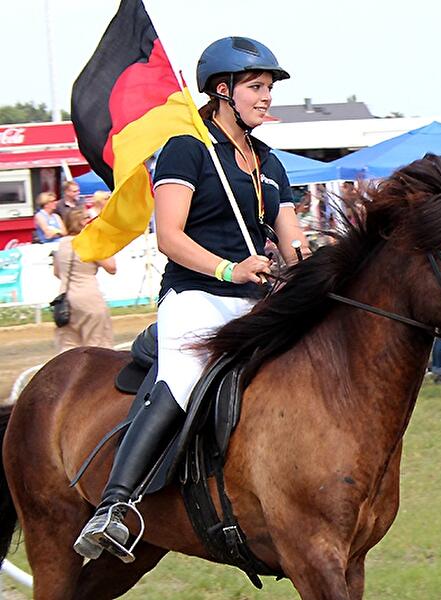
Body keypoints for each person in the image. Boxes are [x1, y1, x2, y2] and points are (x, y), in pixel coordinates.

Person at [74, 36, 308, 561]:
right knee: (181, 376)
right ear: (222, 91)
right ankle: (115, 505)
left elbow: (293, 242)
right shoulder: (187, 148)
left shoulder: (268, 162)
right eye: (256, 87)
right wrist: (231, 267)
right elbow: (170, 237)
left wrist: (311, 271)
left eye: (269, 88)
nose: (266, 97)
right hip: (195, 294)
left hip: (255, 300)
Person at [53, 207, 116, 353]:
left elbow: (57, 272)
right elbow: (111, 267)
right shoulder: (89, 242)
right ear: (82, 223)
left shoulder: (62, 244)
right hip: (88, 297)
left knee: (68, 351)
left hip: (65, 299)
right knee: (98, 349)